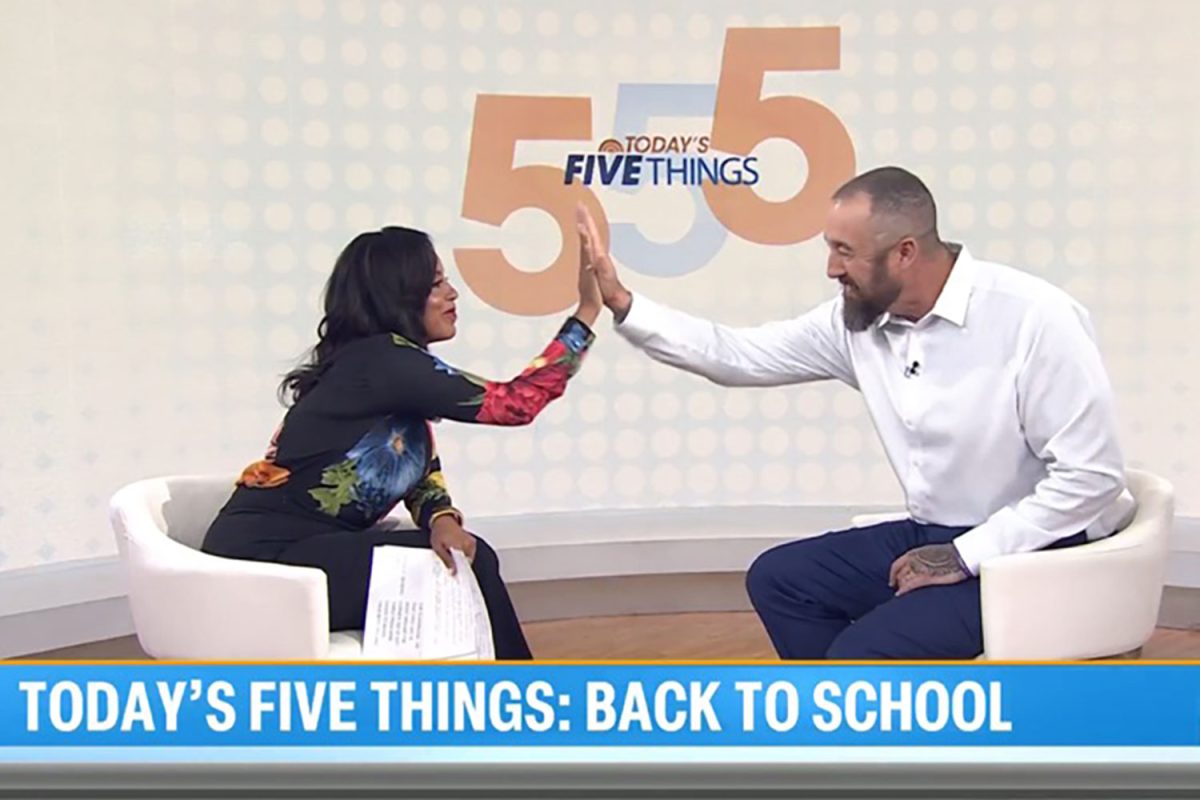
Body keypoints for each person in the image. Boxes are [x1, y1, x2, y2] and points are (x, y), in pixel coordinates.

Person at [575, 167, 1137, 660]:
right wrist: (625, 304)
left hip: (1040, 552)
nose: (830, 268)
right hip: (936, 532)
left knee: (861, 656)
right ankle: (858, 746)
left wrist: (963, 556)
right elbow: (736, 354)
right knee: (781, 581)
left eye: (845, 252)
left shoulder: (1035, 318)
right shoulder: (857, 324)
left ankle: (861, 739)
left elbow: (1091, 478)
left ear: (906, 252)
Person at [201, 225, 602, 660]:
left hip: (306, 557)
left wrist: (441, 518)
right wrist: (587, 312)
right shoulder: (384, 361)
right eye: (435, 284)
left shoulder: (386, 367)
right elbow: (515, 404)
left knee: (459, 554)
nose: (453, 293)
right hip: (264, 567)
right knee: (473, 562)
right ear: (398, 297)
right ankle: (523, 712)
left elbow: (417, 470)